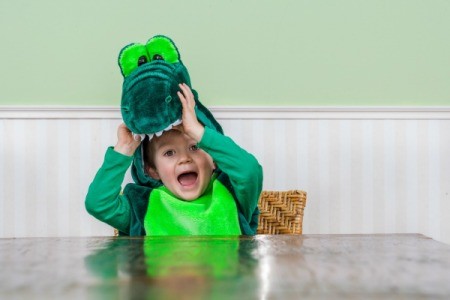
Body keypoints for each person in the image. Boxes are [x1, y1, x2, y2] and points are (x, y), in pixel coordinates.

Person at [85, 83, 263, 236]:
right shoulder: (142, 206)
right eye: (169, 153)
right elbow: (98, 204)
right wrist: (123, 149)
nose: (185, 159)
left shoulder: (233, 194)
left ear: (214, 159)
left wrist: (198, 132)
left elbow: (249, 172)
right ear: (151, 170)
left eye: (195, 147)